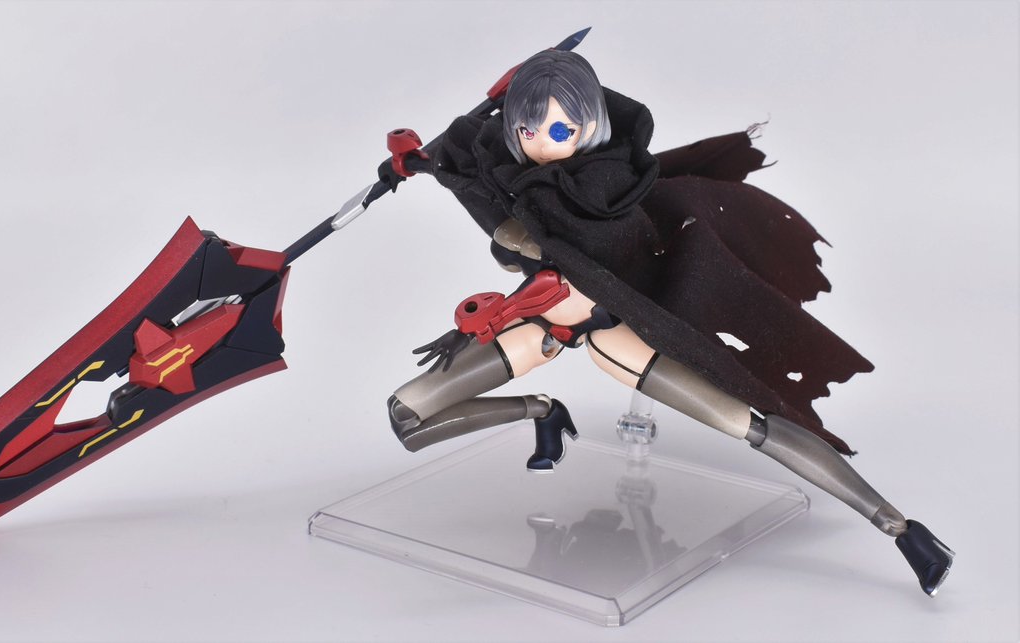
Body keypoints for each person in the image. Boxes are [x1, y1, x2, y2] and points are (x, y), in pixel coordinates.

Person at [382, 49, 953, 596]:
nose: (540, 145)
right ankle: (543, 412)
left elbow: (583, 265)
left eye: (559, 130)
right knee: (407, 418)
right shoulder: (510, 176)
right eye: (526, 131)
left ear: (589, 126)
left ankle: (901, 529)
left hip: (613, 332)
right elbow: (466, 173)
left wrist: (513, 289)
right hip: (540, 330)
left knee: (748, 424)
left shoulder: (606, 189)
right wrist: (414, 161)